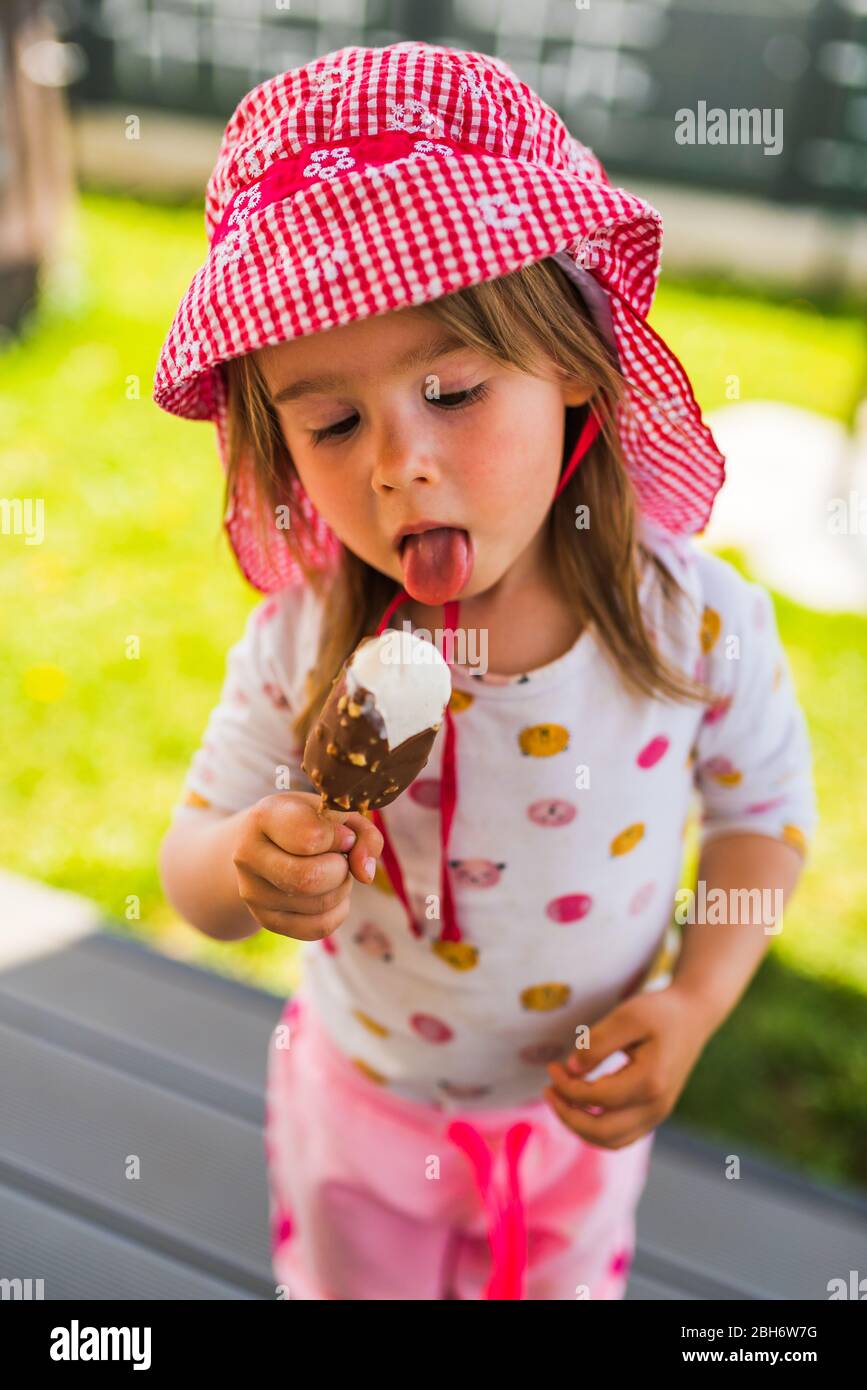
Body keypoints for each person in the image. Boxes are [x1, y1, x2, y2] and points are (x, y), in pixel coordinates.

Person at [154, 42, 817, 1300]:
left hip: (576, 1114)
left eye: (453, 389)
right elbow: (190, 870)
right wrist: (249, 862)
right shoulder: (303, 646)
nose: (400, 464)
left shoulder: (692, 626)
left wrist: (697, 1001)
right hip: (361, 1105)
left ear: (571, 360)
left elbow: (765, 819)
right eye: (333, 424)